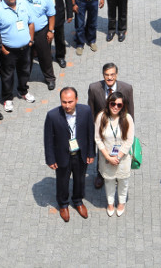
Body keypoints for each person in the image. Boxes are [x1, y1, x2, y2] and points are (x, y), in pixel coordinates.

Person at [44, 87, 95, 222]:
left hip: (80, 154)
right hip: (62, 155)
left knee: (80, 179)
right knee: (62, 181)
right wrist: (50, 159)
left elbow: (90, 132)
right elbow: (48, 139)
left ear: (76, 100)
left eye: (70, 102)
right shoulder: (52, 115)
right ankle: (63, 204)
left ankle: (78, 200)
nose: (67, 105)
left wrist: (91, 152)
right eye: (64, 102)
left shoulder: (86, 111)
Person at [87, 63, 135, 189]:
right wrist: (92, 130)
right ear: (103, 75)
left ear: (116, 75)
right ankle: (100, 174)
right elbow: (91, 111)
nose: (109, 77)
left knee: (119, 148)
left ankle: (118, 173)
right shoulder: (94, 88)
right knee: (102, 150)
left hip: (119, 126)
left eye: (112, 74)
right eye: (107, 75)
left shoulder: (127, 88)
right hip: (103, 127)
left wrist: (129, 129)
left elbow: (130, 111)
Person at [0, 0, 36, 110]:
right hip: (8, 51)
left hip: (25, 48)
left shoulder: (23, 4)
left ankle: (23, 91)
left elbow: (31, 22)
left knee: (25, 72)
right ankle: (7, 98)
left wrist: (31, 40)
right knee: (7, 76)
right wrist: (3, 49)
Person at [94, 92, 135, 217]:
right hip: (106, 158)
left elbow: (129, 140)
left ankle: (121, 203)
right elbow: (98, 139)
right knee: (109, 181)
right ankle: (110, 203)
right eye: (113, 104)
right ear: (108, 104)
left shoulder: (127, 118)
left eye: (119, 105)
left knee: (123, 182)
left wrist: (118, 157)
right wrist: (108, 157)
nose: (115, 107)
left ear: (123, 106)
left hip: (123, 158)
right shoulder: (101, 117)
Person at [18, 0, 56, 90]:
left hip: (41, 32)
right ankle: (23, 81)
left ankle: (50, 79)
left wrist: (51, 31)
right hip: (24, 33)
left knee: (45, 57)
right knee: (25, 58)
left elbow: (51, 14)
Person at [34, 0, 73, 68]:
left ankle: (60, 56)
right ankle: (47, 56)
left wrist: (70, 13)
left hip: (58, 13)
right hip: (43, 15)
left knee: (60, 38)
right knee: (45, 38)